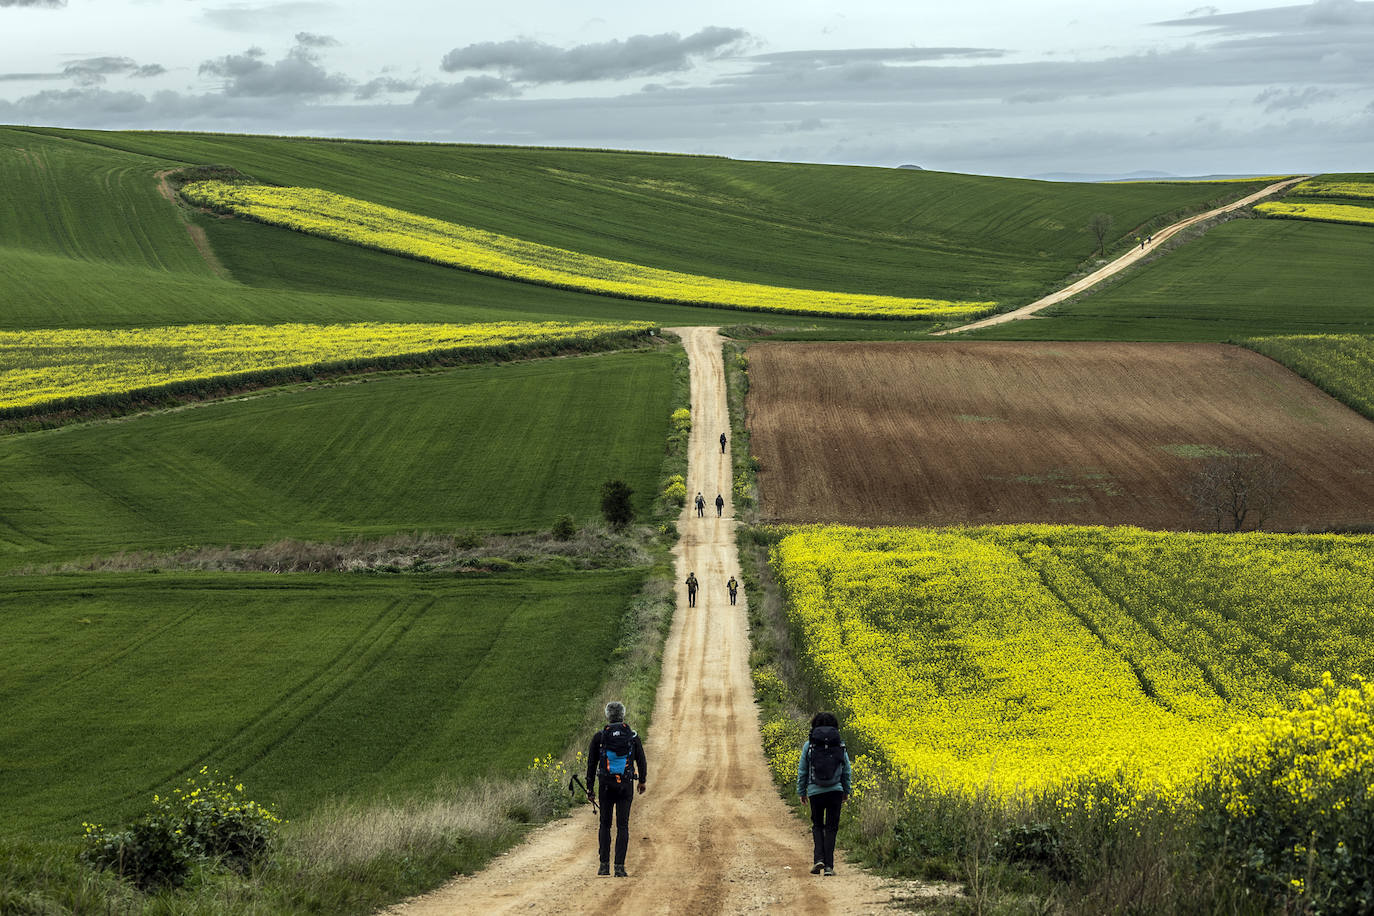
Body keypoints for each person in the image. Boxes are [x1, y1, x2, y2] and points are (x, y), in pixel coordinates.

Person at [586, 701, 647, 877]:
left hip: (605, 785)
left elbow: (591, 764)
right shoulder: (632, 736)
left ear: (607, 716)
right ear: (623, 715)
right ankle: (619, 867)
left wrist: (590, 789)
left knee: (604, 825)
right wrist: (641, 781)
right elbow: (641, 761)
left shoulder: (600, 737)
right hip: (625, 786)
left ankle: (604, 866)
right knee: (623, 825)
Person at [797, 711, 852, 876]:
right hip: (835, 791)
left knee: (817, 826)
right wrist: (846, 790)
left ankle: (818, 859)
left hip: (815, 791)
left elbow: (802, 771)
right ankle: (829, 867)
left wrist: (802, 791)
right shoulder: (839, 744)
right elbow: (846, 770)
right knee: (832, 828)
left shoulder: (810, 745)